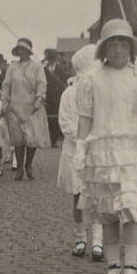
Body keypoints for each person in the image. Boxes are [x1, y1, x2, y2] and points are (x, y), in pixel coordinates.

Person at [74, 19, 137, 274]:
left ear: (131, 48)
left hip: (133, 152)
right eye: (113, 44)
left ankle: (131, 265)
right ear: (104, 48)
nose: (119, 49)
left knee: (132, 207)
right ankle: (113, 265)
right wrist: (81, 148)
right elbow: (85, 118)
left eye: (123, 44)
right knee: (108, 211)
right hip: (103, 151)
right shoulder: (92, 78)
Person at [57, 44, 103, 260]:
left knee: (99, 196)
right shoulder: (68, 94)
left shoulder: (101, 93)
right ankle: (80, 238)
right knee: (78, 197)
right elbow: (66, 123)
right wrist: (83, 139)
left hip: (98, 150)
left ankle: (98, 241)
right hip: (75, 150)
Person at [3, 37, 50, 181]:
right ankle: (19, 169)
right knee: (18, 139)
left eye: (23, 49)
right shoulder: (12, 67)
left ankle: (28, 165)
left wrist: (39, 99)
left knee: (31, 138)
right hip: (15, 106)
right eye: (19, 50)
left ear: (28, 51)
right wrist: (5, 100)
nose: (21, 52)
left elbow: (42, 83)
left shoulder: (37, 67)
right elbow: (6, 85)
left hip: (32, 107)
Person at [43, 48, 68, 147]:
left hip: (57, 97)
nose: (51, 61)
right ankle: (47, 139)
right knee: (47, 119)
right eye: (50, 59)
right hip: (47, 97)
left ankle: (54, 140)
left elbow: (64, 82)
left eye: (52, 59)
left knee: (56, 119)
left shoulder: (60, 69)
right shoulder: (44, 70)